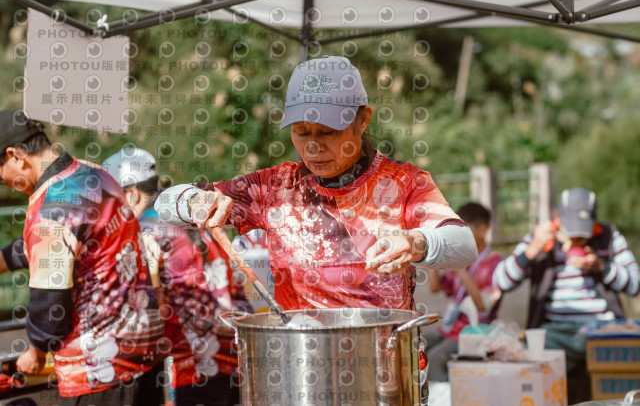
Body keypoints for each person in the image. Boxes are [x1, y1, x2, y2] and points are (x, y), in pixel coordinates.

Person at [155, 55, 479, 404]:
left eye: (327, 132)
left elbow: (463, 244)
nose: (313, 147)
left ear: (363, 120)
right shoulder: (274, 189)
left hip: (385, 375)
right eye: (302, 132)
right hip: (298, 375)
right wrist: (192, 202)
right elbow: (164, 202)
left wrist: (417, 241)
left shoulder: (403, 184)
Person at [0, 110, 167, 405]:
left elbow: (51, 301)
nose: (3, 181)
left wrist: (37, 350)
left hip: (99, 369)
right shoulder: (94, 174)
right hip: (145, 351)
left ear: (15, 155)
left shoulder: (51, 206)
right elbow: (68, 243)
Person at [102, 147, 251, 406]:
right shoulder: (187, 216)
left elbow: (145, 307)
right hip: (233, 351)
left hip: (192, 364)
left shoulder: (146, 232)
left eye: (112, 199)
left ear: (133, 195)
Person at [493, 187, 639, 402]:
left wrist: (601, 267)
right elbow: (501, 281)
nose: (578, 237)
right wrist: (532, 250)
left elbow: (635, 285)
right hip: (554, 330)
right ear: (557, 218)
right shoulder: (541, 239)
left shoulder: (609, 236)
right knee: (526, 370)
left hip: (602, 327)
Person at [424, 202, 502, 381]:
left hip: (476, 332)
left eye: (464, 231)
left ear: (482, 230)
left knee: (436, 359)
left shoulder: (494, 263)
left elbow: (483, 305)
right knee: (416, 347)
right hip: (451, 329)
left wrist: (461, 269)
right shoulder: (462, 258)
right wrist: (434, 259)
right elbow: (435, 288)